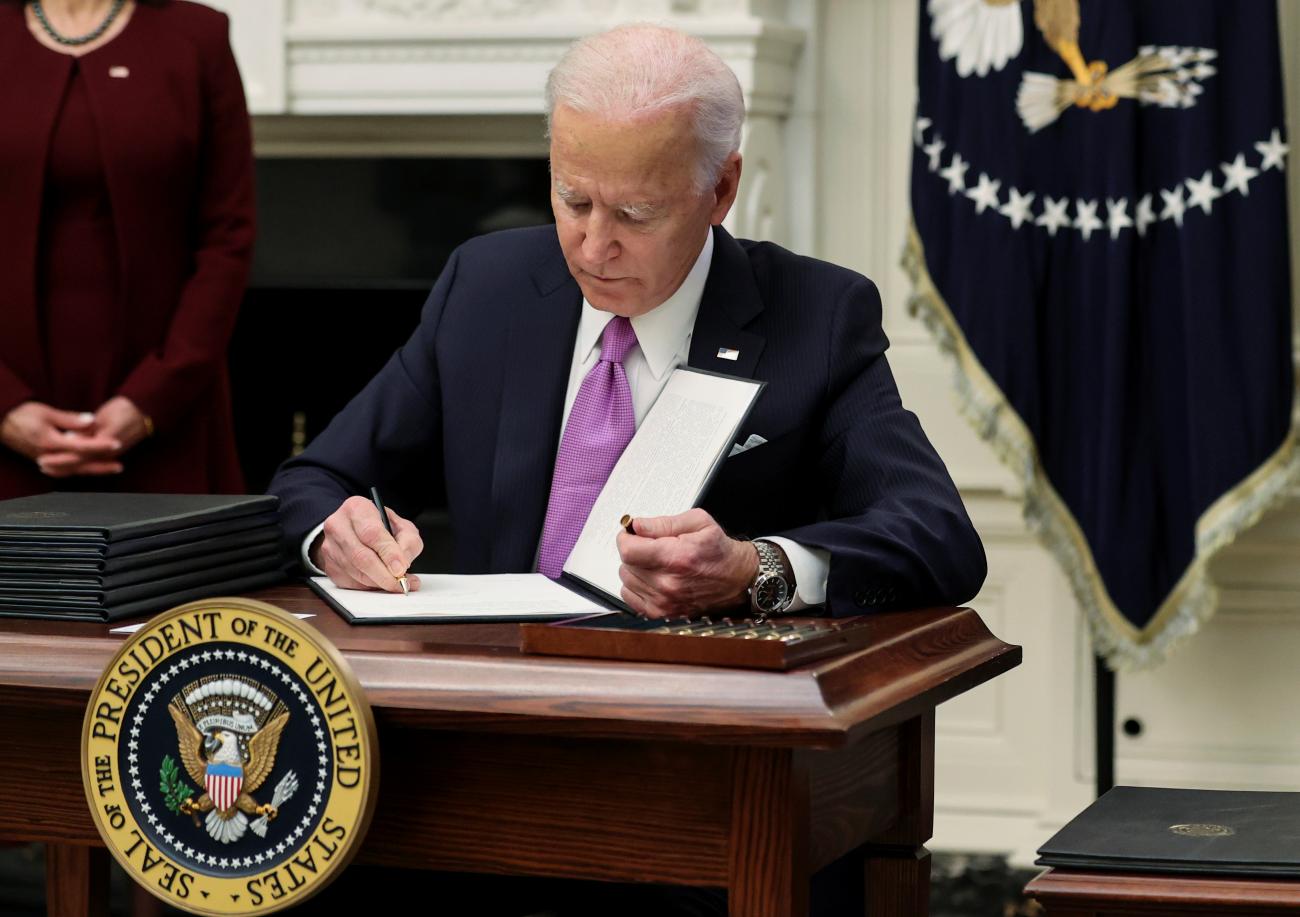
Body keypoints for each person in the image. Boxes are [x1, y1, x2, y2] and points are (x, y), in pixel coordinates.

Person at [269, 24, 985, 621]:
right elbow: (315, 480)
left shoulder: (818, 315)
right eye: (573, 200)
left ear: (722, 189)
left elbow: (938, 537)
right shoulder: (487, 288)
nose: (594, 243)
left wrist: (753, 568)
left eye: (637, 214)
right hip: (491, 701)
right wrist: (335, 534)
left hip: (704, 728)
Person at [0, 0, 254, 498]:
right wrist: (3, 406)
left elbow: (228, 234)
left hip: (166, 415)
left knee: (179, 574)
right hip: (6, 419)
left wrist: (151, 401)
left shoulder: (198, 34)